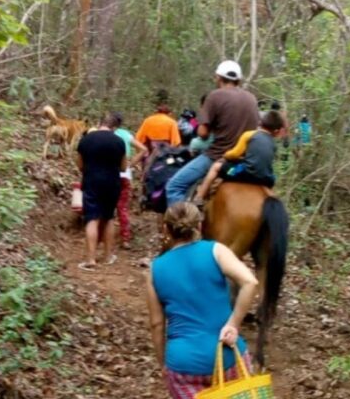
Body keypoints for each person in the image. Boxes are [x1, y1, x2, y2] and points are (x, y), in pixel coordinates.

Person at [146, 202, 259, 398]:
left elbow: (157, 324)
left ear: (166, 229)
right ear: (199, 226)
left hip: (184, 366)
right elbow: (250, 282)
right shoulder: (216, 250)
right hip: (227, 354)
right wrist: (233, 324)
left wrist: (163, 363)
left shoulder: (154, 270)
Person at [165, 61, 259, 205]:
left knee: (174, 186)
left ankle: (182, 223)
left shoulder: (214, 96)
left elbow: (203, 134)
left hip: (217, 156)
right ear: (238, 80)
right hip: (245, 160)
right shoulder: (252, 98)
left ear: (218, 77)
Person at [193, 110, 286, 205]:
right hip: (266, 178)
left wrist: (226, 155)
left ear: (261, 123)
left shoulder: (249, 134)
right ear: (276, 131)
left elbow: (235, 154)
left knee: (216, 167)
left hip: (244, 172)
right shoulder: (273, 144)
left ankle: (199, 197)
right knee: (273, 178)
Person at [76, 112, 127, 270]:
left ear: (100, 123)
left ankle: (91, 259)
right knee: (108, 217)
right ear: (114, 127)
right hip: (112, 182)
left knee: (92, 218)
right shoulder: (119, 142)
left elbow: (79, 165)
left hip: (92, 181)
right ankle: (108, 256)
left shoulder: (86, 140)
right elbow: (124, 167)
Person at [113, 113, 149, 249]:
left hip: (109, 174)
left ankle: (102, 237)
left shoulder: (108, 134)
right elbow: (143, 149)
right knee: (122, 208)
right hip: (125, 175)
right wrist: (131, 164)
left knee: (106, 206)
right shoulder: (126, 134)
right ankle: (125, 239)